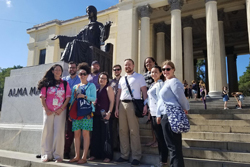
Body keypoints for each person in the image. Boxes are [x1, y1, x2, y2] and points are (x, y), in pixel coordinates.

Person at [156, 60, 189, 167]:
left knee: (174, 147)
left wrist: (185, 108)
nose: (165, 71)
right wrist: (159, 114)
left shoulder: (174, 82)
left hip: (172, 115)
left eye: (168, 69)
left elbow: (181, 98)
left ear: (173, 69)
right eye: (163, 69)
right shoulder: (166, 82)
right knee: (172, 146)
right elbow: (161, 100)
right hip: (166, 115)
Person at [115, 59, 148, 166]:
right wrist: (116, 108)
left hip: (133, 104)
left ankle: (136, 156)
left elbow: (144, 92)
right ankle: (124, 155)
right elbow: (118, 94)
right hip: (122, 104)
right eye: (125, 65)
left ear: (133, 65)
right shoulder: (122, 79)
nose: (127, 66)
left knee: (134, 130)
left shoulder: (139, 77)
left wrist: (146, 104)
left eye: (129, 64)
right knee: (122, 130)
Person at [38, 64, 71, 163]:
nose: (57, 71)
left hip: (60, 111)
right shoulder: (46, 83)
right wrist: (46, 109)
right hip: (48, 111)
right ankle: (47, 154)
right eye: (56, 70)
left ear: (61, 72)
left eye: (59, 70)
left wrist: (61, 108)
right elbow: (42, 98)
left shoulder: (65, 83)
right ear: (52, 71)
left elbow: (68, 97)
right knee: (47, 132)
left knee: (59, 133)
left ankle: (58, 155)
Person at [69, 63, 96, 164]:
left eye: (84, 73)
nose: (82, 75)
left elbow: (94, 98)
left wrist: (84, 96)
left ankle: (84, 157)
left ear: (87, 74)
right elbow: (72, 100)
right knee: (76, 134)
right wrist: (70, 114)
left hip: (87, 112)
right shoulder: (75, 86)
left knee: (85, 134)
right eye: (80, 74)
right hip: (76, 113)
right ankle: (77, 156)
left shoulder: (91, 85)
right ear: (78, 75)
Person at [89, 72, 115, 162]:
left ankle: (107, 156)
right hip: (96, 115)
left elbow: (112, 101)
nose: (102, 80)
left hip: (106, 116)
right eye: (100, 78)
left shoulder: (108, 88)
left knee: (106, 136)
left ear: (107, 80)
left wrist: (109, 112)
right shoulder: (97, 89)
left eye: (104, 78)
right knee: (96, 136)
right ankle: (94, 154)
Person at [147, 65, 168, 166]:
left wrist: (159, 115)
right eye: (152, 72)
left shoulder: (160, 84)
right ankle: (162, 160)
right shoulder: (153, 84)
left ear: (160, 73)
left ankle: (163, 160)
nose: (153, 74)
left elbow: (161, 100)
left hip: (158, 115)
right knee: (159, 138)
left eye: (156, 72)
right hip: (153, 113)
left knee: (161, 138)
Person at [62, 61, 81, 159]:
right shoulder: (63, 80)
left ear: (76, 69)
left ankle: (66, 151)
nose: (71, 69)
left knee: (70, 130)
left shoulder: (80, 80)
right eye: (70, 68)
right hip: (62, 106)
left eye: (73, 67)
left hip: (73, 106)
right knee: (59, 128)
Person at [143, 57, 158, 148]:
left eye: (149, 62)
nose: (148, 64)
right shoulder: (144, 75)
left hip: (156, 101)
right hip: (148, 100)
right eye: (146, 63)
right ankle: (154, 139)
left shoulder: (157, 74)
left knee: (156, 122)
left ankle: (158, 140)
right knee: (152, 122)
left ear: (154, 62)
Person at [109, 64, 122, 151]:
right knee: (113, 127)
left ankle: (121, 146)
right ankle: (114, 145)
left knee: (121, 127)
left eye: (118, 69)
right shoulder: (111, 82)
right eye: (114, 70)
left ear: (120, 70)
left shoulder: (124, 80)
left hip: (122, 105)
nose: (116, 71)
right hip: (112, 106)